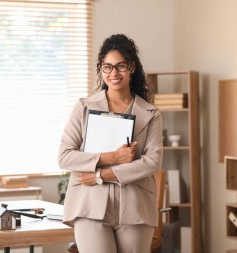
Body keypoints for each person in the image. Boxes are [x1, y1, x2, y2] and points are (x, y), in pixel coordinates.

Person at [58, 34, 163, 253]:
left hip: (136, 207)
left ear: (131, 67)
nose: (113, 73)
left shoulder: (151, 113)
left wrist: (102, 175)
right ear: (101, 69)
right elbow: (65, 156)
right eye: (107, 67)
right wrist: (114, 157)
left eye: (120, 66)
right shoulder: (84, 108)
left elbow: (152, 162)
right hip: (89, 206)